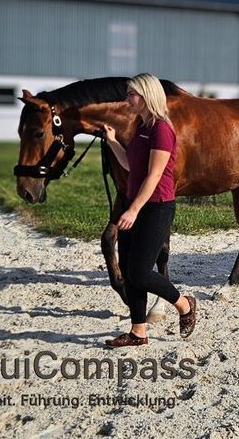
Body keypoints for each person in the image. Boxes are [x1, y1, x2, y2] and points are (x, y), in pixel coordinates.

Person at [102, 73, 197, 347]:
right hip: (138, 204)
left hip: (156, 207)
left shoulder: (161, 130)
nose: (127, 98)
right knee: (129, 271)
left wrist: (132, 210)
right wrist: (112, 141)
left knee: (141, 272)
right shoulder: (140, 126)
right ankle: (138, 332)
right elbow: (132, 166)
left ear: (146, 96)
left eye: (131, 93)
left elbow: (154, 176)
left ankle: (184, 305)